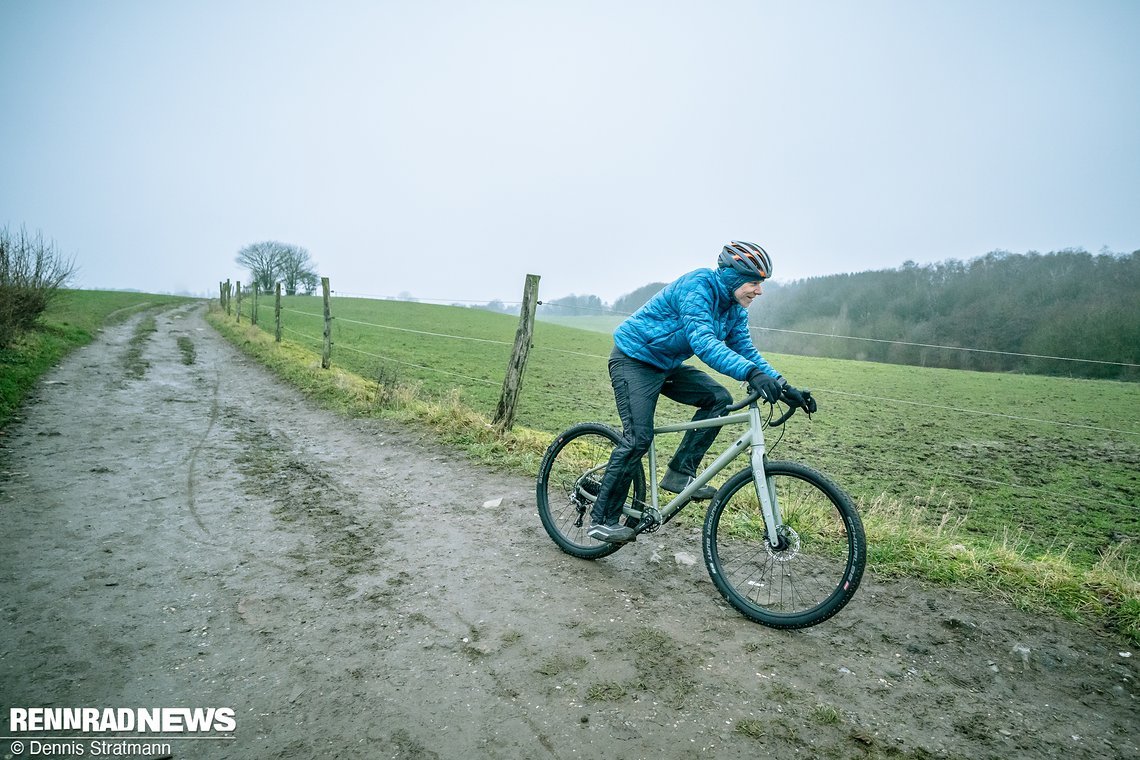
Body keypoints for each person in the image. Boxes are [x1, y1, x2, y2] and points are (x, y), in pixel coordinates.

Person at [587, 241, 816, 544]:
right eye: (754, 282)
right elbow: (704, 343)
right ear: (733, 277)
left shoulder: (734, 309)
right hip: (633, 359)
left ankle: (679, 473)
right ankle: (602, 519)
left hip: (666, 364)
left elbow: (746, 350)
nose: (758, 291)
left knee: (718, 399)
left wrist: (783, 386)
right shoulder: (698, 286)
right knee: (638, 438)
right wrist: (750, 374)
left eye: (761, 284)